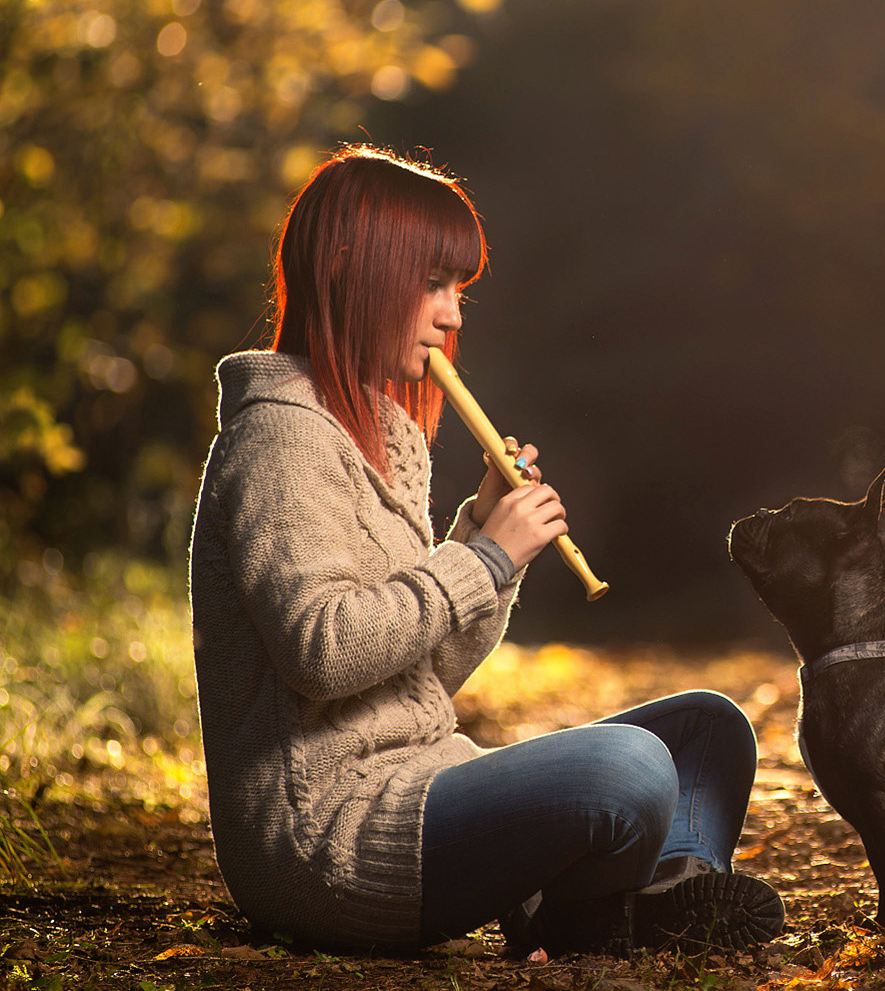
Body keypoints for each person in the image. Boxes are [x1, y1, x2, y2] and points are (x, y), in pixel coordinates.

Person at [188, 145, 783, 956]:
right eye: (432, 284)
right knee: (633, 769)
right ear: (349, 271)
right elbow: (322, 653)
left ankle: (649, 903)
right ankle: (594, 904)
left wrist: (479, 536)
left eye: (457, 290)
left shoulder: (375, 433)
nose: (452, 316)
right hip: (333, 836)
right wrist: (485, 560)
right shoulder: (280, 440)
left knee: (710, 731)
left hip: (426, 782)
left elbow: (419, 679)